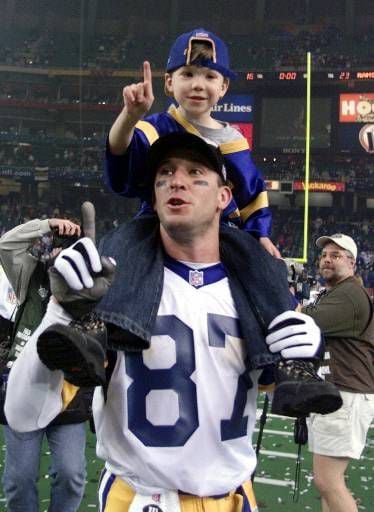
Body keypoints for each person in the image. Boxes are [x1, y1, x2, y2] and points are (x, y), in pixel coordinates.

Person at [6, 133, 331, 511]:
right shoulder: (116, 284)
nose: (177, 181)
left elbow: (284, 391)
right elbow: (23, 414)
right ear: (155, 196)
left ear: (223, 197)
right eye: (164, 174)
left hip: (234, 498)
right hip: (142, 498)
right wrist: (61, 311)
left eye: (195, 173)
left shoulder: (257, 289)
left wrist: (307, 356)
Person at [105, 27, 281, 257]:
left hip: (220, 239)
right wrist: (130, 116)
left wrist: (261, 235)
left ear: (223, 86)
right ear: (169, 82)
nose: (198, 84)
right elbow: (121, 153)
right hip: (159, 237)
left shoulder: (234, 140)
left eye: (210, 76)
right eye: (188, 74)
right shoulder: (156, 128)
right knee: (117, 260)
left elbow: (252, 196)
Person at [0, 217, 92, 512]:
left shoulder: (91, 292)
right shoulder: (30, 276)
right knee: (19, 480)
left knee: (72, 476)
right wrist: (47, 224)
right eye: (57, 248)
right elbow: (6, 244)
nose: (61, 256)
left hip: (69, 394)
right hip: (25, 390)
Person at [302, 233, 374, 512]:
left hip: (347, 392)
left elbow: (306, 321)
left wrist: (300, 307)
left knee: (328, 481)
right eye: (324, 255)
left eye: (336, 255)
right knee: (327, 483)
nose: (327, 260)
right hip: (337, 392)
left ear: (353, 263)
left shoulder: (350, 294)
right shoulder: (339, 292)